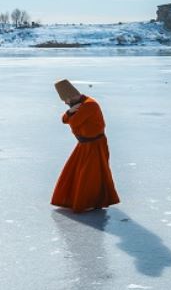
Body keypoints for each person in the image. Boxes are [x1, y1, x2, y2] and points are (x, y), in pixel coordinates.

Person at [51, 79, 120, 213]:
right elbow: (64, 120)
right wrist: (70, 112)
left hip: (95, 144)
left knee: (90, 174)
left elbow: (73, 122)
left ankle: (88, 201)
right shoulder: (80, 105)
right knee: (77, 172)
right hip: (84, 144)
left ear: (71, 97)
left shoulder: (89, 105)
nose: (65, 103)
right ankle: (82, 200)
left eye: (66, 100)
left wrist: (70, 113)